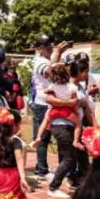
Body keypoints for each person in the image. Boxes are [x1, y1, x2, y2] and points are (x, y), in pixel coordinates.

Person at [46, 68, 94, 199]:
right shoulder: (70, 87)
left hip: (70, 125)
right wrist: (70, 105)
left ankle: (89, 184)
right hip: (63, 126)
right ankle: (53, 187)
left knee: (82, 155)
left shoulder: (56, 86)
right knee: (68, 158)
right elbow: (49, 99)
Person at [30, 36, 69, 181]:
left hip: (49, 103)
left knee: (47, 137)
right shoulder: (39, 61)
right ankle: (42, 171)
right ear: (39, 49)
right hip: (42, 104)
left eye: (51, 45)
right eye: (46, 46)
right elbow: (48, 72)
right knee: (42, 138)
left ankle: (40, 167)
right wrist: (58, 53)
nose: (50, 47)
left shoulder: (47, 60)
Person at [31, 63, 83, 150]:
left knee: (45, 121)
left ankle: (38, 137)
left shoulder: (53, 86)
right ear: (67, 74)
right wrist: (77, 111)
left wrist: (50, 91)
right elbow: (75, 102)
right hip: (67, 111)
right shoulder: (72, 87)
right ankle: (76, 141)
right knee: (78, 123)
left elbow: (45, 91)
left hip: (55, 110)